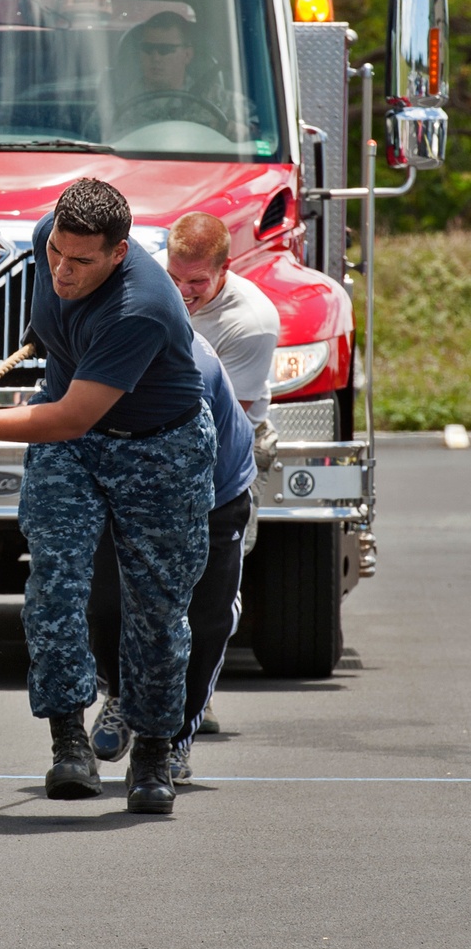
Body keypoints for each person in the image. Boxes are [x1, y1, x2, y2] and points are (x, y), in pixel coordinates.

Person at [0, 178, 216, 816]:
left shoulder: (142, 307)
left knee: (156, 608)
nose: (63, 269)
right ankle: (67, 740)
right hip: (74, 450)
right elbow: (57, 306)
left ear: (119, 253)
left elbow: (69, 417)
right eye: (57, 257)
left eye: (82, 262)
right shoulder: (54, 237)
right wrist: (51, 325)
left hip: (156, 449)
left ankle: (154, 750)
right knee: (54, 586)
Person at [87, 333, 256, 780]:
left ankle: (173, 740)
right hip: (127, 489)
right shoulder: (99, 355)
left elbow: (182, 478)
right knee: (104, 604)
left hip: (214, 496)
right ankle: (122, 695)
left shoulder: (187, 377)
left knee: (202, 622)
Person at [164, 210, 281, 731]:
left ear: (225, 270)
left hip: (229, 442)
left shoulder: (249, 321)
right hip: (158, 433)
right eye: (173, 278)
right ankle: (143, 685)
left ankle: (197, 693)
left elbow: (223, 415)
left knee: (208, 580)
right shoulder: (150, 282)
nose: (182, 292)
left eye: (196, 282)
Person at [114, 10, 252, 138]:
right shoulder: (117, 101)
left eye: (165, 50)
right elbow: (95, 144)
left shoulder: (218, 99)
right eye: (148, 49)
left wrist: (245, 130)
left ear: (187, 54)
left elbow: (265, 131)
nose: (155, 57)